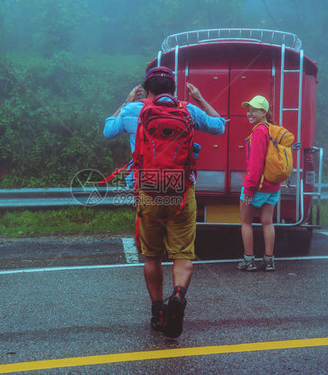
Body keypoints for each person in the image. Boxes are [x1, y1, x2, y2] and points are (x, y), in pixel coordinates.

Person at [104, 67, 226, 338]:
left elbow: (106, 130)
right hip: (181, 193)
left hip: (147, 192)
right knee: (182, 255)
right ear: (173, 89)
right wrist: (201, 99)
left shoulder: (132, 111)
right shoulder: (188, 111)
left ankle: (158, 311)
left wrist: (125, 101)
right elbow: (220, 126)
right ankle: (179, 296)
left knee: (152, 256)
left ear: (147, 90)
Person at [238, 95, 280, 272]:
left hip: (258, 185)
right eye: (248, 109)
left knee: (246, 222)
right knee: (267, 222)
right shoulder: (273, 129)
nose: (249, 113)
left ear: (264, 112)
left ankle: (248, 260)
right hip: (273, 185)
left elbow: (256, 165)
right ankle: (269, 260)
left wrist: (248, 187)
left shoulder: (258, 131)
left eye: (254, 109)